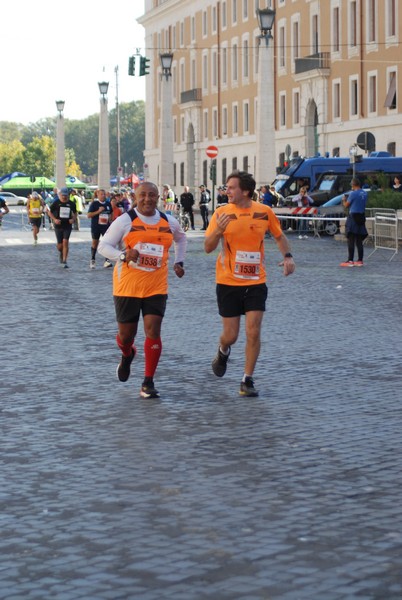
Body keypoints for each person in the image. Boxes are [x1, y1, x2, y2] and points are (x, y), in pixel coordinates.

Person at [204, 170, 295, 397]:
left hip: (256, 281)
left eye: (231, 187)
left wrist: (288, 257)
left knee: (253, 331)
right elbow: (207, 247)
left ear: (245, 191)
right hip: (227, 281)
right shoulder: (221, 213)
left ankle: (247, 379)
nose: (227, 191)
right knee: (231, 335)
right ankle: (223, 350)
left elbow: (279, 236)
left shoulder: (264, 212)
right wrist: (218, 230)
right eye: (226, 187)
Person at [98, 181, 187, 399]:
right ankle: (127, 354)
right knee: (126, 336)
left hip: (156, 286)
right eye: (143, 195)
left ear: (159, 198)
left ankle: (148, 382)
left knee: (153, 331)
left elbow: (181, 238)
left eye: (152, 195)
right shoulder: (125, 220)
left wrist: (180, 262)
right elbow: (103, 246)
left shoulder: (168, 221)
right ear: (136, 197)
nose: (147, 199)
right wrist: (122, 255)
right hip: (127, 286)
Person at [340, 178, 368, 267]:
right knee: (359, 240)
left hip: (353, 217)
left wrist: (344, 200)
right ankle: (360, 260)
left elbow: (346, 205)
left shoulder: (353, 194)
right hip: (361, 216)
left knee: (351, 238)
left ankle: (350, 260)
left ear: (353, 185)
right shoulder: (365, 193)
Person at [48, 187, 77, 268]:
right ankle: (61, 252)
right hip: (58, 225)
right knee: (59, 245)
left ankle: (64, 260)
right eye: (62, 195)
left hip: (67, 225)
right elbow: (49, 212)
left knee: (65, 241)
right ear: (59, 195)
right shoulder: (56, 202)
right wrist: (54, 219)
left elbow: (75, 213)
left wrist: (73, 219)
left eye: (66, 195)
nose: (64, 197)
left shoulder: (71, 203)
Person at [87, 188, 113, 269]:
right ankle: (93, 259)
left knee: (106, 243)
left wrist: (110, 219)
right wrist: (98, 211)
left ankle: (107, 260)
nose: (103, 196)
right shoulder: (94, 204)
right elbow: (89, 215)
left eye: (104, 194)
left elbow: (111, 212)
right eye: (101, 194)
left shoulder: (108, 204)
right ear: (98, 195)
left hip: (105, 226)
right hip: (96, 226)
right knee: (95, 243)